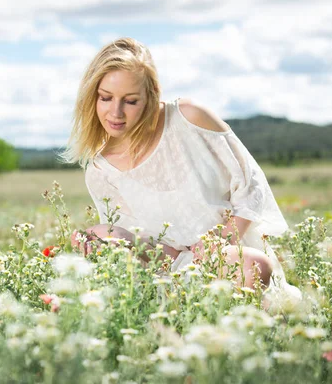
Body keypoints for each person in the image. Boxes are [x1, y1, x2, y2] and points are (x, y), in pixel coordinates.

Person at [62, 37, 301, 303]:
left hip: (223, 254)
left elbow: (251, 186)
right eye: (105, 98)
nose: (115, 113)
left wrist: (220, 239)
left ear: (152, 92)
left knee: (256, 266)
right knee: (96, 235)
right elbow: (136, 243)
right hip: (164, 265)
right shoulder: (100, 169)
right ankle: (163, 307)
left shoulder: (189, 118)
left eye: (130, 101)